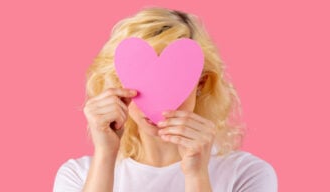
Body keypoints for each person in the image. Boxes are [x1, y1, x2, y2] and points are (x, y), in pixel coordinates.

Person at [53, 7, 278, 192]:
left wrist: (197, 175)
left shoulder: (248, 175)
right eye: (141, 77)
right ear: (119, 82)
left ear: (200, 84)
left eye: (174, 78)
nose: (158, 99)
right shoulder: (78, 175)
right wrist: (105, 155)